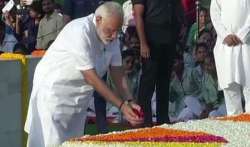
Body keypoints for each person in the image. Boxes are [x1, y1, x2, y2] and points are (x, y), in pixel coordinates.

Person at [24, 2, 143, 147]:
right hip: (53, 94)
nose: (114, 36)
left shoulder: (112, 36)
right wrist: (122, 105)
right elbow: (90, 77)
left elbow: (117, 71)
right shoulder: (80, 30)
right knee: (50, 142)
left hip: (78, 100)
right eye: (110, 31)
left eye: (117, 31)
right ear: (98, 20)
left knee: (72, 143)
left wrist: (129, 100)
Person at [132, 0, 184, 126]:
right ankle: (145, 121)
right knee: (148, 82)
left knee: (164, 81)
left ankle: (163, 119)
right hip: (151, 37)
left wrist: (181, 26)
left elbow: (178, 8)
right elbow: (138, 15)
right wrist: (143, 43)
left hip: (170, 37)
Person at [210, 0, 250, 115]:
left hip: (246, 43)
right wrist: (225, 35)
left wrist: (243, 35)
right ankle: (235, 129)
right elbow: (215, 14)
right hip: (226, 46)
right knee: (231, 90)